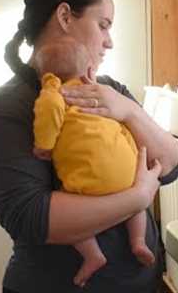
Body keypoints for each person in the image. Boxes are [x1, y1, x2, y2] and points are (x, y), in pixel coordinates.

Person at [0, 0, 178, 292]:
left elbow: (170, 165)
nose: (109, 41)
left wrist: (128, 110)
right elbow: (30, 217)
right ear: (64, 17)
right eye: (103, 24)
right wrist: (137, 197)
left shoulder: (110, 89)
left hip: (140, 282)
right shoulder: (9, 106)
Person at [33, 37, 155, 287]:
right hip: (128, 174)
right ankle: (138, 241)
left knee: (73, 214)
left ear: (46, 76)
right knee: (137, 205)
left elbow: (48, 114)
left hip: (90, 184)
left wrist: (43, 145)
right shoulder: (104, 94)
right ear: (89, 72)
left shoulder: (55, 92)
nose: (108, 40)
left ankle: (93, 255)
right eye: (103, 25)